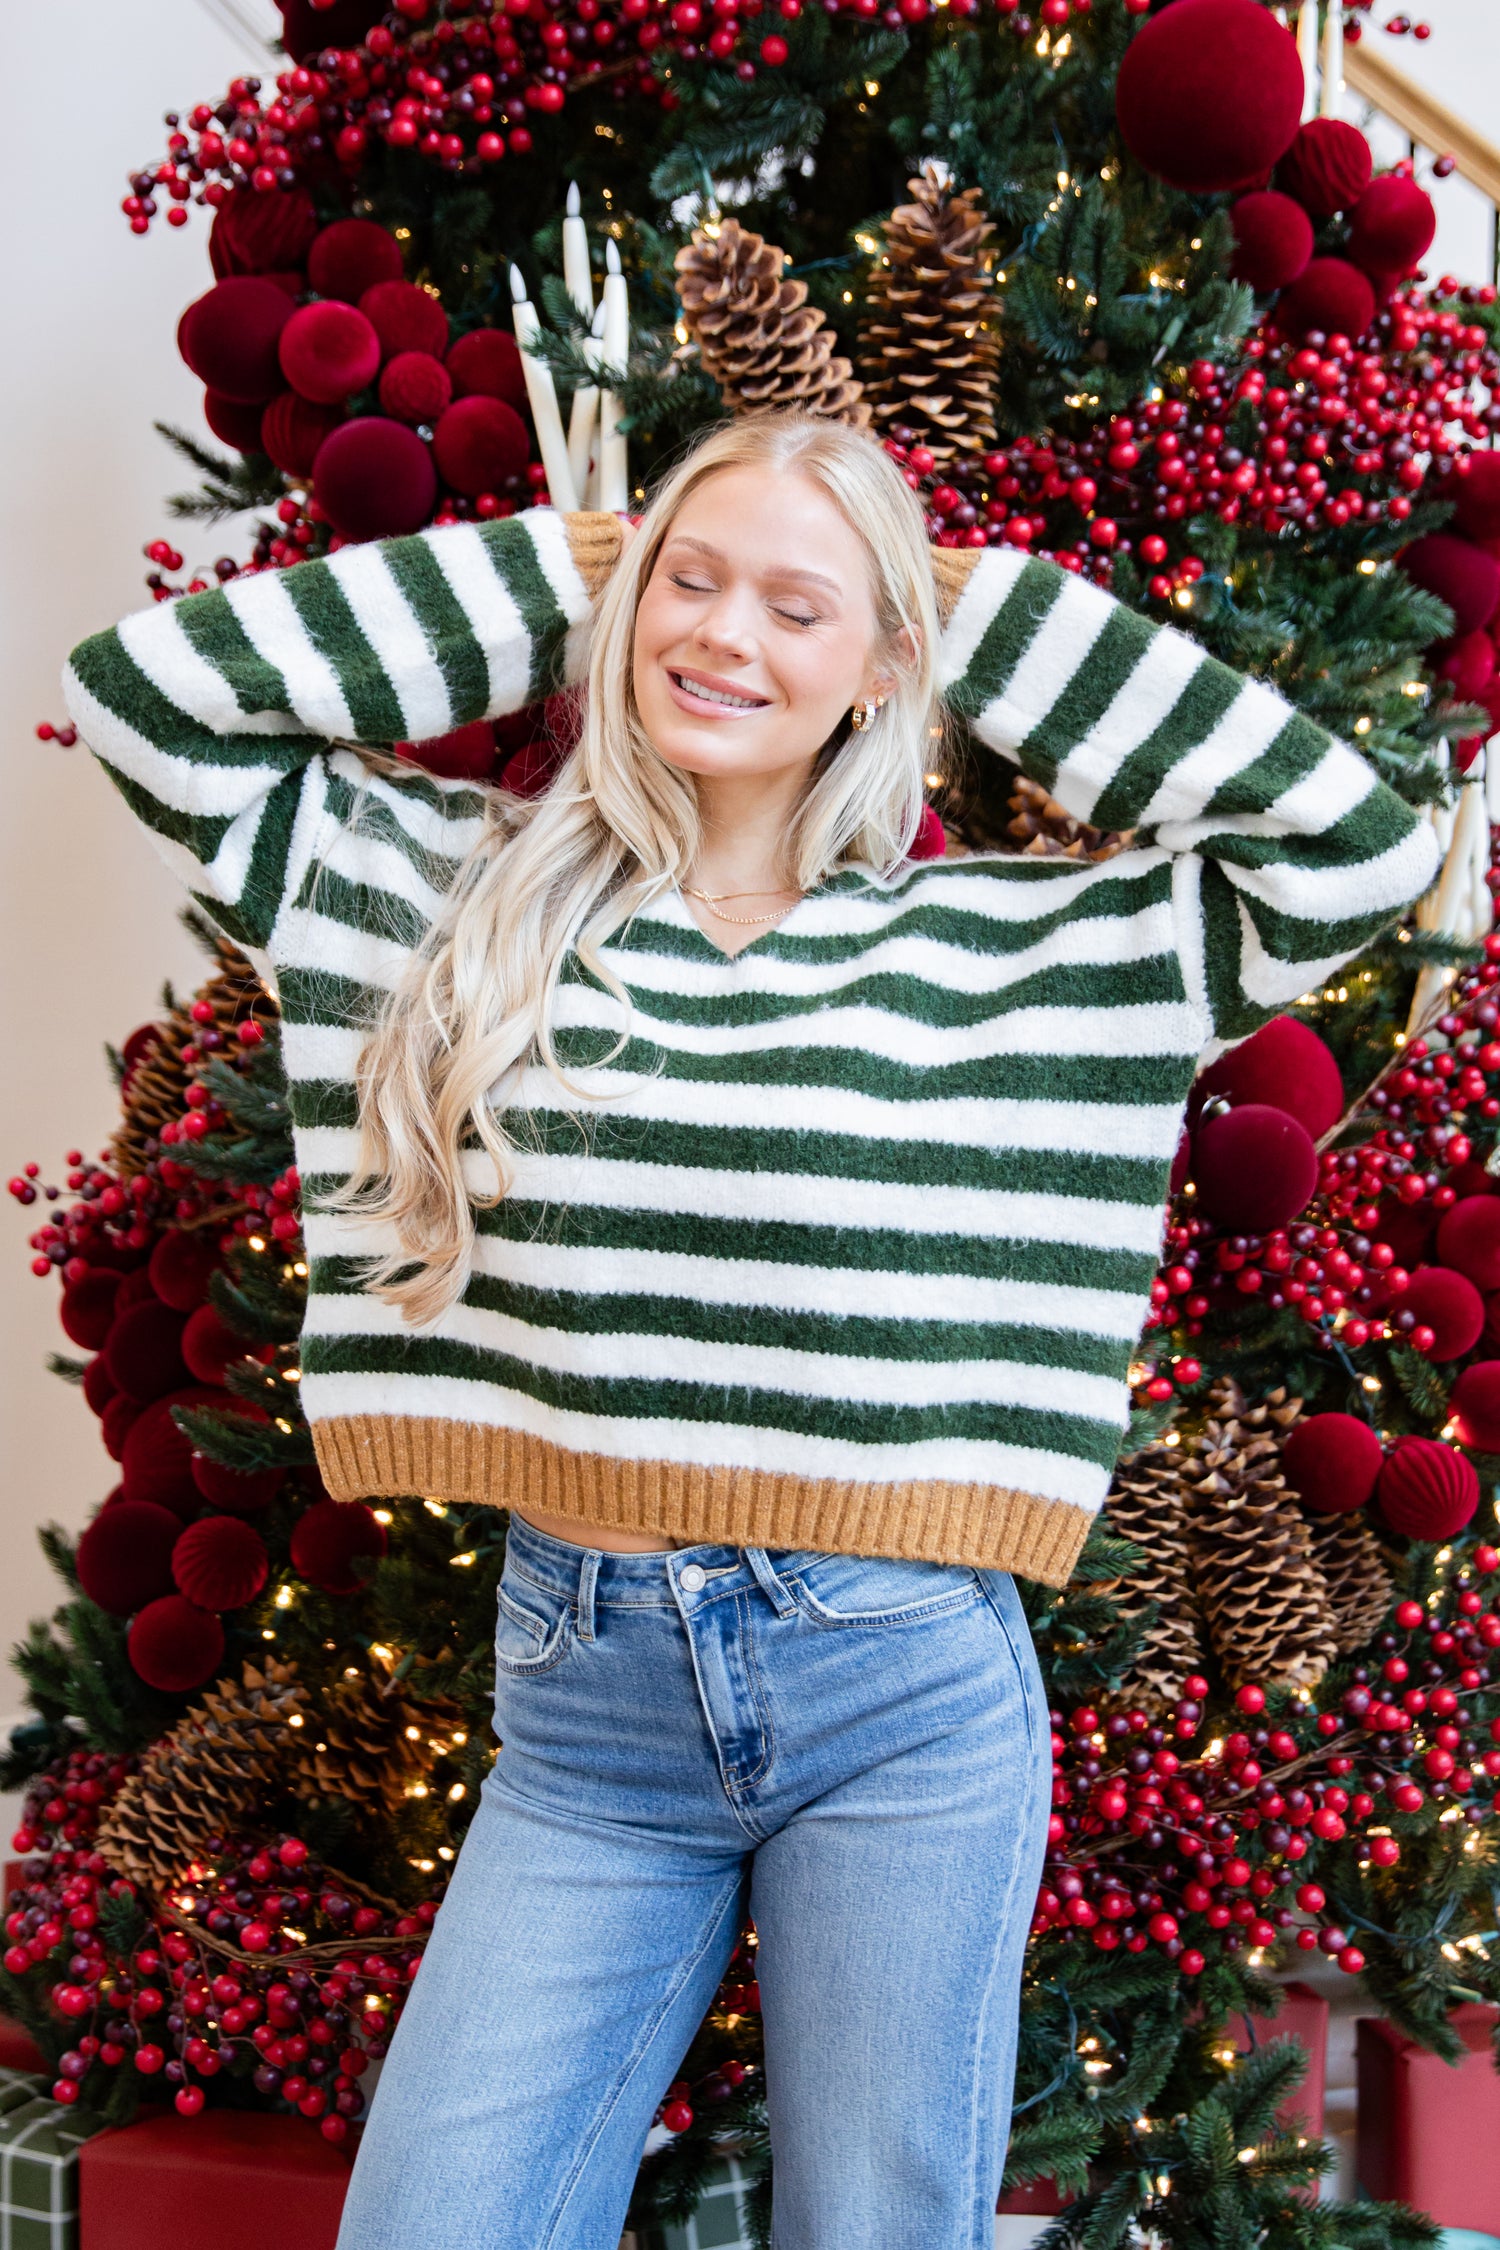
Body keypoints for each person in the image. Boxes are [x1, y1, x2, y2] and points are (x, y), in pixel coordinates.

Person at [61, 412, 1436, 2248]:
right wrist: (584, 566)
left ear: (882, 667)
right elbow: (152, 697)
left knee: (873, 2227)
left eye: (799, 608)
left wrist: (958, 607)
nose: (724, 634)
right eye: (691, 586)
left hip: (903, 1694)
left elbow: (1353, 848)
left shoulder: (1021, 955)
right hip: (585, 1702)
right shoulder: (446, 893)